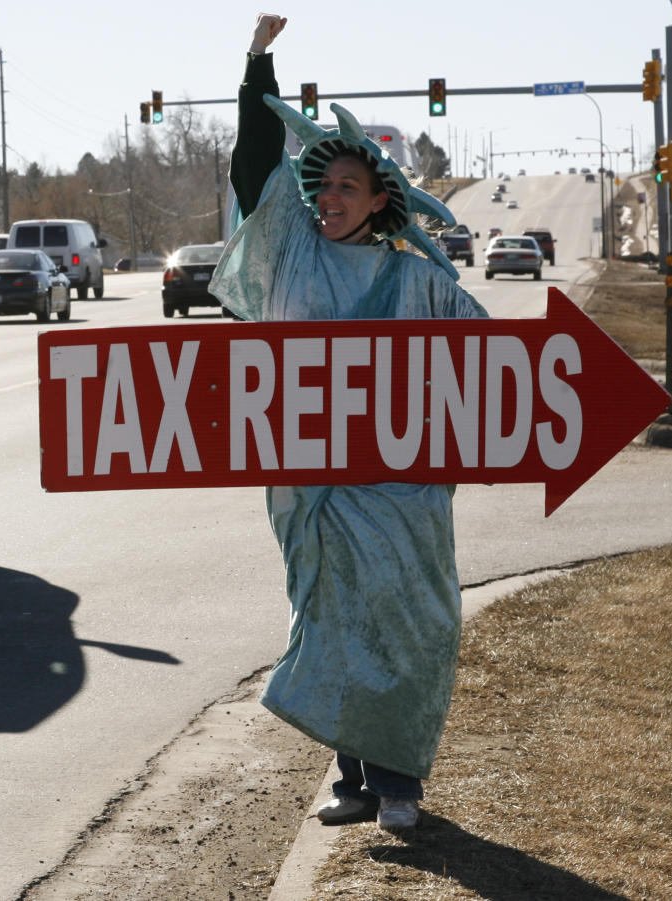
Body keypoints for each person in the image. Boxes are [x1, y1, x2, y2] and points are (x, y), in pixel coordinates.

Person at [208, 13, 488, 834]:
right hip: (310, 485)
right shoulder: (291, 251)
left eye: (346, 188)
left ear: (379, 200)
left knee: (407, 612)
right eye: (322, 186)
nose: (328, 199)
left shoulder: (418, 285)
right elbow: (257, 163)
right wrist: (258, 65)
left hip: (401, 483)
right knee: (330, 613)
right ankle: (355, 778)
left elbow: (488, 367)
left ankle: (402, 781)